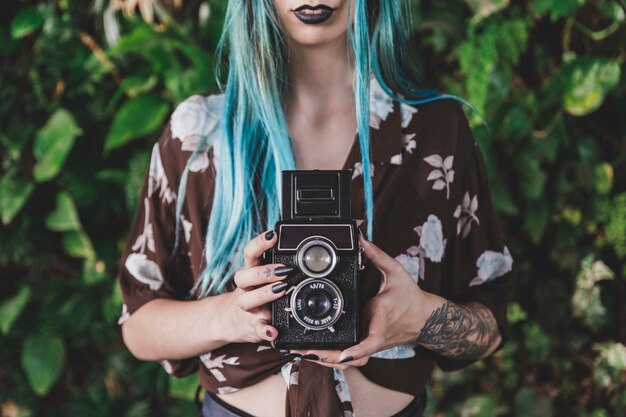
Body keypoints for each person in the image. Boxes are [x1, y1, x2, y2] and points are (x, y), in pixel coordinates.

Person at [117, 1, 515, 416]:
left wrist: (423, 317)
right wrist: (231, 316)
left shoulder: (435, 131)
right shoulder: (198, 136)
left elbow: (490, 324)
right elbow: (139, 324)